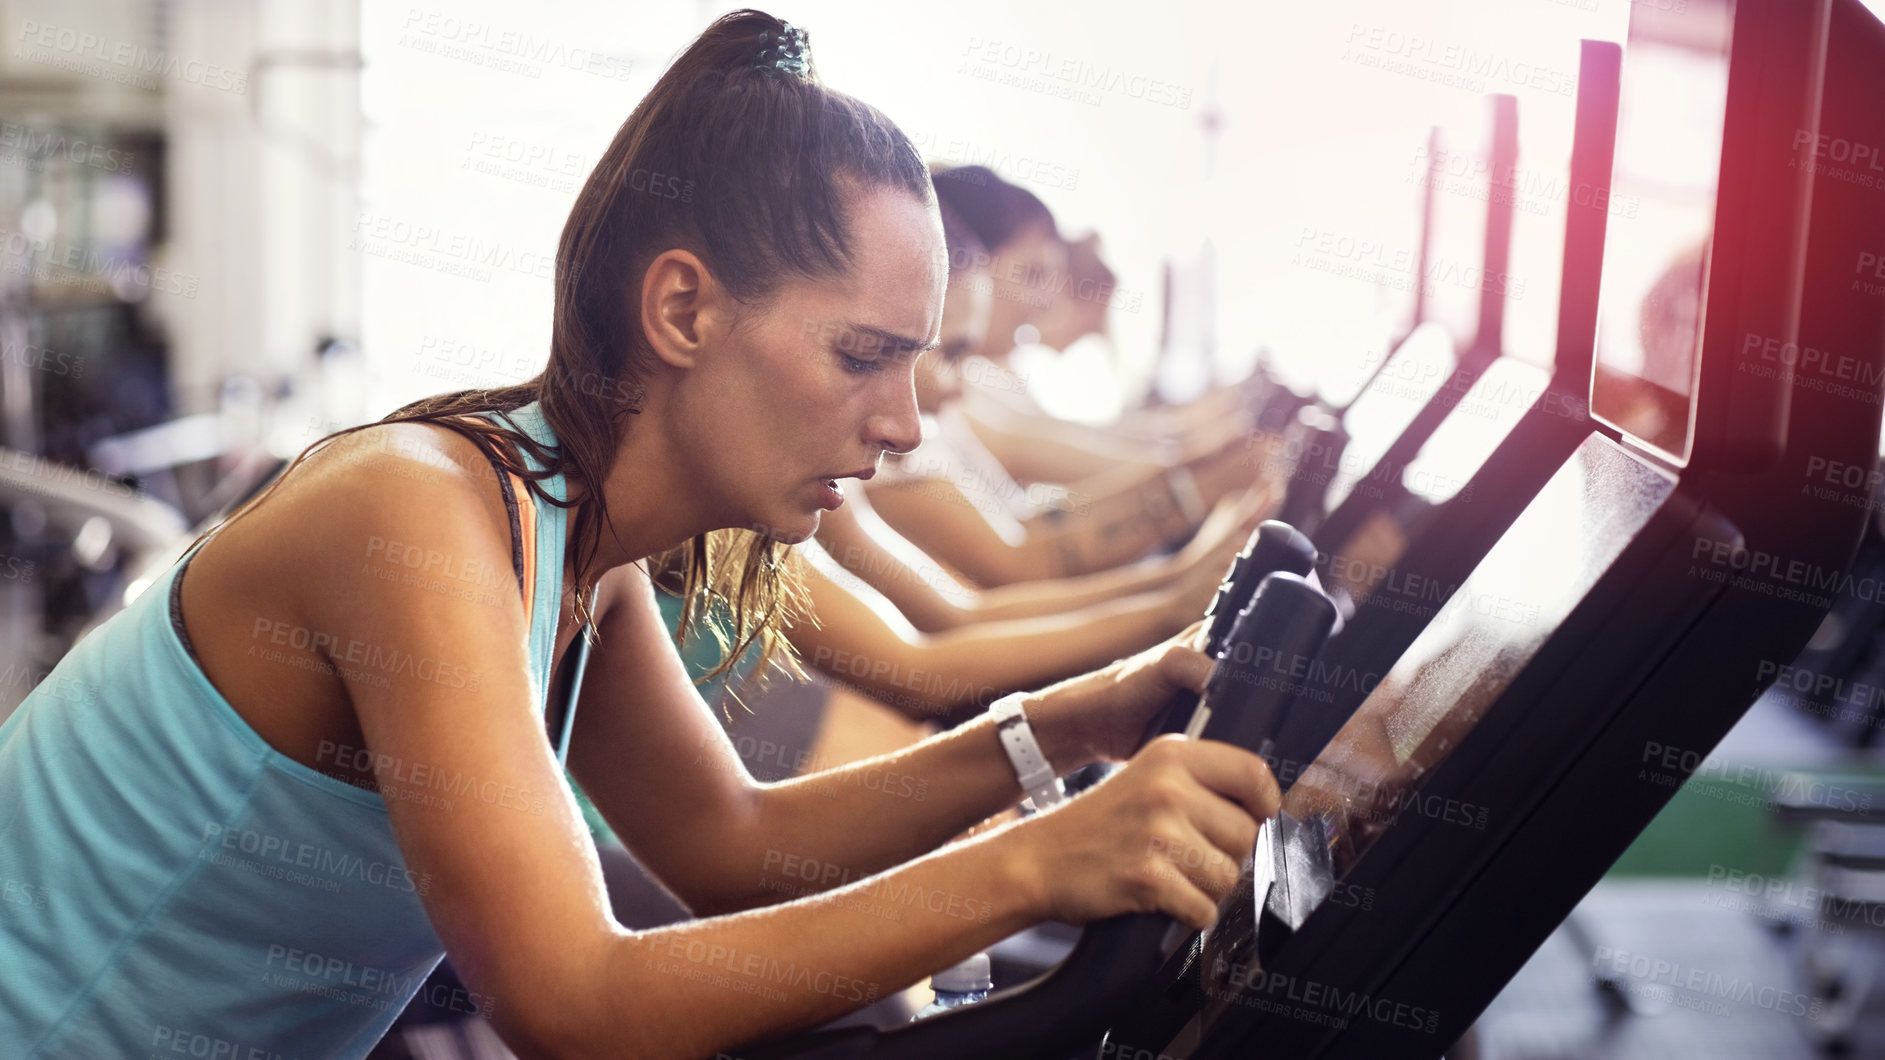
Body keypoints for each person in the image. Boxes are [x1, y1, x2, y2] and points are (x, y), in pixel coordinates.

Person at [0, 13, 1281, 1059]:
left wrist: (1066, 726)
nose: (900, 422)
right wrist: (1029, 866)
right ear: (682, 307)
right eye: (860, 357)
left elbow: (729, 842)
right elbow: (577, 1005)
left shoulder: (583, 554)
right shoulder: (420, 516)